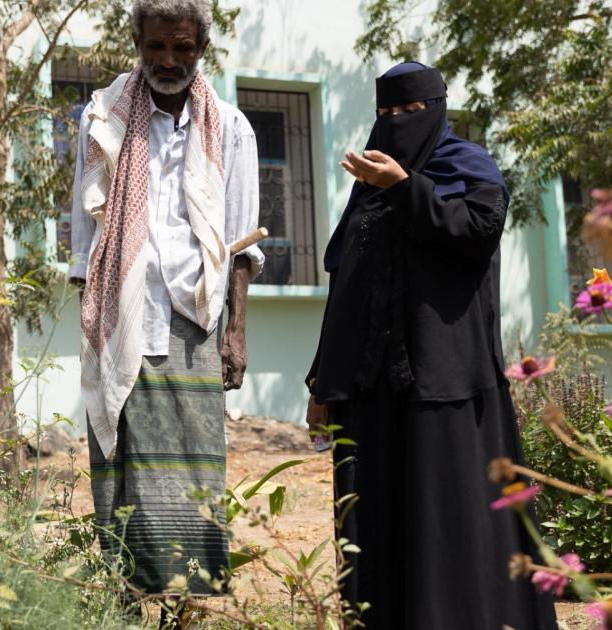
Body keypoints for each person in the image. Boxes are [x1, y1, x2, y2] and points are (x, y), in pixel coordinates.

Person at [305, 61, 558, 629]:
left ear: (438, 110)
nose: (396, 122)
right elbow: (344, 283)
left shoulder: (468, 168)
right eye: (386, 113)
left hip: (444, 384)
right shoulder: (366, 192)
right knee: (373, 526)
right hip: (369, 390)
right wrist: (323, 382)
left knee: (448, 519)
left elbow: (474, 232)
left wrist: (404, 187)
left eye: (410, 112)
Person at [68, 0, 262, 604]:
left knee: (191, 465)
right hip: (120, 314)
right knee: (122, 460)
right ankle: (124, 596)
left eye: (181, 47)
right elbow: (83, 236)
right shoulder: (103, 119)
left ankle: (185, 600)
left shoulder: (230, 127)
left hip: (196, 321)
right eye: (156, 47)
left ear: (201, 49)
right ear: (138, 43)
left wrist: (236, 332)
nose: (168, 60)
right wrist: (93, 326)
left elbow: (241, 240)